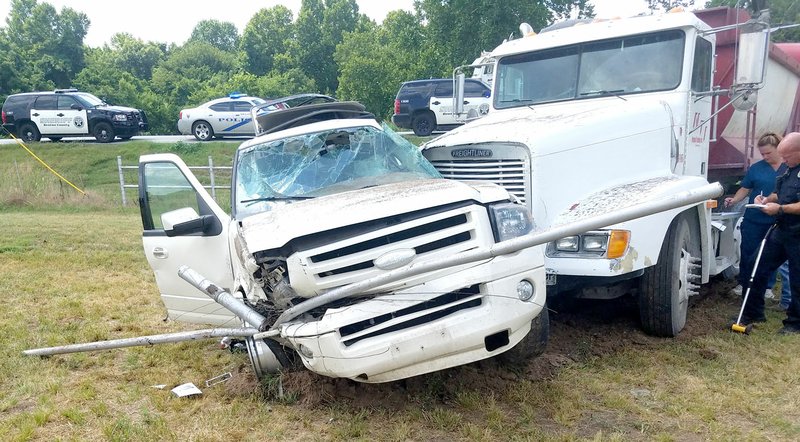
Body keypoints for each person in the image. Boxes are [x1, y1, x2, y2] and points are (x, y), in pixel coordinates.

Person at [739, 132, 800, 333]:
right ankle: (753, 312)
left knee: (797, 277)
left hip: (797, 232)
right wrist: (767, 200)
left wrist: (780, 209)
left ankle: (794, 323)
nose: (784, 160)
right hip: (781, 229)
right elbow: (780, 192)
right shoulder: (789, 169)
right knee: (755, 264)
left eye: (787, 156)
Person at [724, 133, 789, 302]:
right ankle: (744, 283)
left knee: (770, 254)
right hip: (754, 219)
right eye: (762, 154)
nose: (765, 157)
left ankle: (767, 286)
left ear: (779, 149)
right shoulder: (756, 168)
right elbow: (745, 188)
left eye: (768, 153)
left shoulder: (788, 168)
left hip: (776, 219)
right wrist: (735, 199)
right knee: (748, 252)